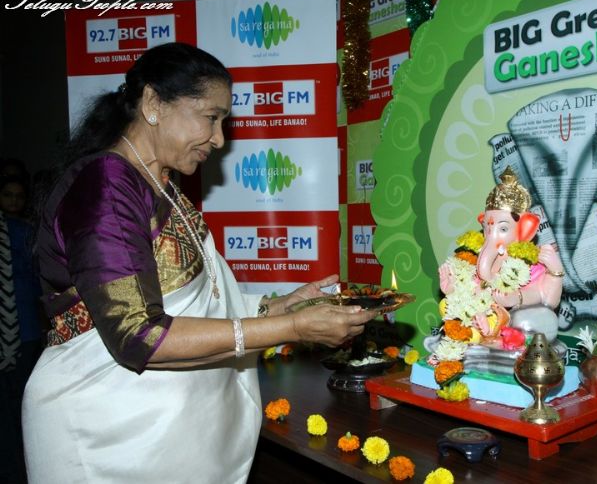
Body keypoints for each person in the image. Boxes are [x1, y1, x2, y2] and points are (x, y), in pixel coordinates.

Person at [22, 42, 379, 484]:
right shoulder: (107, 186)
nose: (220, 139)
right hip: (105, 437)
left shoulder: (159, 182)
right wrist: (291, 329)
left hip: (157, 435)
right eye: (211, 117)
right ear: (153, 104)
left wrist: (278, 307)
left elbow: (193, 299)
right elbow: (140, 335)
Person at [0, 175, 43, 484]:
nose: (13, 200)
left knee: (23, 405)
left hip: (26, 332)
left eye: (19, 195)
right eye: (7, 194)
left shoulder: (28, 233)